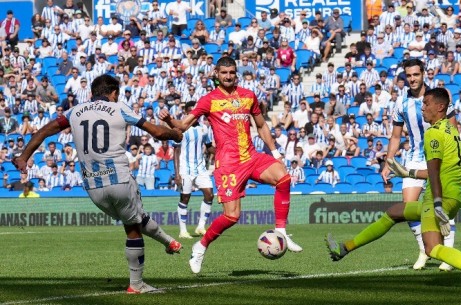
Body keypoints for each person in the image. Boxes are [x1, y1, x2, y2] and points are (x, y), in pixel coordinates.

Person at [12, 74, 183, 294]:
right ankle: (137, 284)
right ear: (113, 93)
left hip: (93, 187)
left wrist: (24, 157)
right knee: (132, 227)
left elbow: (44, 131)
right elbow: (158, 133)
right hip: (119, 179)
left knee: (134, 218)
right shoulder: (119, 107)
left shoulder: (74, 112)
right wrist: (175, 134)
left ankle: (169, 242)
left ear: (92, 93)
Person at [326, 88, 461, 289]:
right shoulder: (452, 131)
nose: (422, 108)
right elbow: (440, 170)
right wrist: (408, 173)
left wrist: (436, 204)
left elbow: (434, 173)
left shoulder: (433, 134)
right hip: (452, 196)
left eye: (426, 104)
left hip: (438, 198)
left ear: (440, 107)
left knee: (432, 248)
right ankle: (345, 248)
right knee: (394, 213)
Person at [159, 56, 302, 274]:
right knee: (231, 216)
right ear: (216, 73)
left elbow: (261, 125)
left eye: (232, 73)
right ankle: (200, 246)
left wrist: (275, 152)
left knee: (284, 177)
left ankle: (281, 231)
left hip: (251, 156)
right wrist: (169, 120)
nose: (228, 76)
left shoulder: (248, 96)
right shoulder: (209, 100)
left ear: (236, 73)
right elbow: (183, 125)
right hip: (228, 165)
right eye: (224, 73)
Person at [380, 59, 458, 271]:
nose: (413, 79)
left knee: (441, 206)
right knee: (407, 208)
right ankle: (425, 250)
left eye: (416, 74)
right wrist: (388, 162)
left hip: (438, 156)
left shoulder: (438, 98)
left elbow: (453, 128)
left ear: (424, 74)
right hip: (414, 157)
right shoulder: (400, 103)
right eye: (409, 75)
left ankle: (447, 255)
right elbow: (395, 137)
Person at [173, 101, 215, 239]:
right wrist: (177, 173)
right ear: (186, 114)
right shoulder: (180, 130)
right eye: (191, 112)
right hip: (185, 169)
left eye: (196, 113)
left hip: (200, 168)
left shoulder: (203, 128)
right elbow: (176, 152)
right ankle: (183, 231)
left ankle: (201, 227)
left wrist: (223, 151)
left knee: (209, 194)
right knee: (185, 198)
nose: (194, 116)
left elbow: (209, 147)